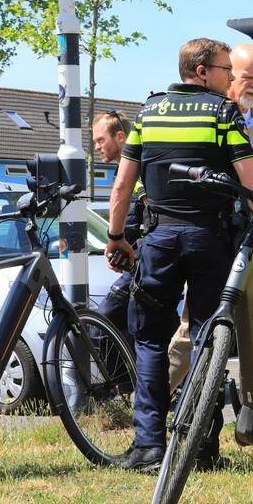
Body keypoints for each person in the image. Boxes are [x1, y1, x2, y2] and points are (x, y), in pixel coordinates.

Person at [105, 37, 253, 473]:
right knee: (207, 338)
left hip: (159, 241)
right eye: (225, 69)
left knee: (149, 341)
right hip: (210, 242)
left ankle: (148, 446)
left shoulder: (148, 113)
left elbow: (123, 185)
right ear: (202, 72)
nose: (229, 78)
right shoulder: (222, 114)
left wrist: (115, 236)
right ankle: (202, 445)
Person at [166, 42, 253, 391]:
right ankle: (155, 402)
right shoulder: (212, 114)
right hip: (217, 233)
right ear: (229, 76)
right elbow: (247, 179)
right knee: (194, 328)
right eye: (248, 76)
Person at [90, 110, 148, 336]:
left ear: (121, 137)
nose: (97, 147)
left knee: (99, 330)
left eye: (100, 140)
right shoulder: (122, 171)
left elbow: (153, 209)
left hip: (144, 266)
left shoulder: (138, 170)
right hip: (135, 269)